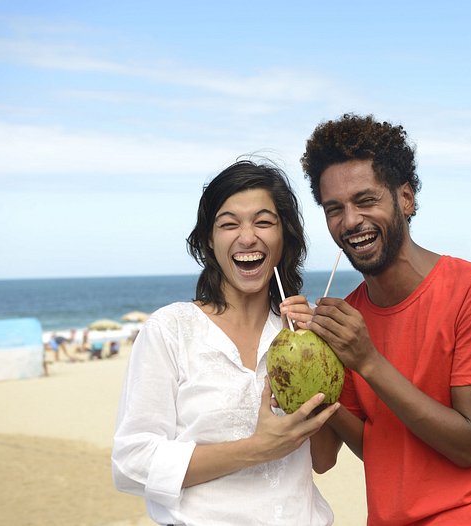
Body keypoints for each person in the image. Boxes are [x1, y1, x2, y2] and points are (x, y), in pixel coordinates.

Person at [293, 113, 471, 524]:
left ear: (406, 199)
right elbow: (375, 447)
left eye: (365, 200)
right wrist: (313, 384)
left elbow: (469, 444)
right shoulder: (351, 317)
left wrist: (367, 361)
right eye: (334, 209)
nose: (350, 221)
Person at [112, 160, 339, 526]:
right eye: (229, 224)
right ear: (208, 240)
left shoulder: (304, 333)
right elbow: (131, 464)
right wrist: (256, 449)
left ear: (285, 238)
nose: (247, 237)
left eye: (264, 222)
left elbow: (323, 460)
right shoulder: (171, 330)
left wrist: (320, 362)